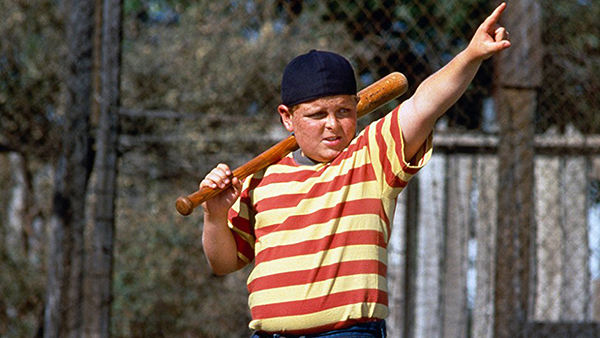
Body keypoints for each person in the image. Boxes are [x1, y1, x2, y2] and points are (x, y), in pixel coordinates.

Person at [200, 3, 511, 337]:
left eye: (344, 111)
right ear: (287, 117)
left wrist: (471, 56)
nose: (333, 125)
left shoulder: (371, 157)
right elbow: (223, 262)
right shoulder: (261, 180)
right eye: (317, 115)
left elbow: (425, 104)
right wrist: (215, 216)